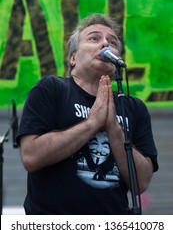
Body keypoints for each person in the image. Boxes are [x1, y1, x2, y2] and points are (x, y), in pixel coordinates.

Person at [16, 13, 158, 215]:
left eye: (112, 42)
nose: (105, 44)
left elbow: (141, 182)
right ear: (73, 57)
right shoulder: (51, 89)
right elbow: (30, 156)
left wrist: (114, 129)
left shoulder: (134, 107)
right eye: (94, 38)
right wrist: (92, 123)